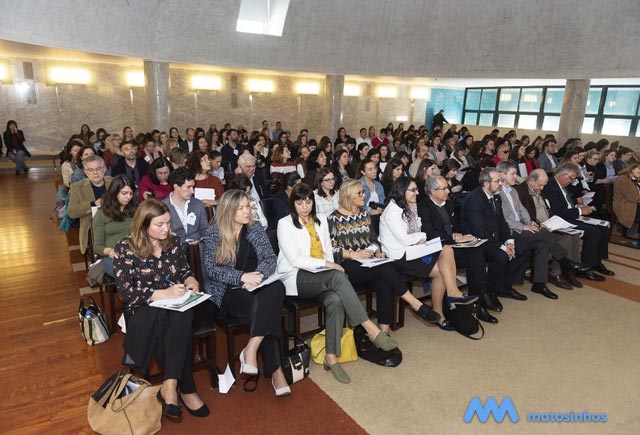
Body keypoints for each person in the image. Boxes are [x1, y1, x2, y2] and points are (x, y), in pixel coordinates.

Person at [277, 183, 398, 383]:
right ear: (293, 204)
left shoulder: (321, 220)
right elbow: (295, 259)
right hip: (296, 277)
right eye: (299, 203)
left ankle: (331, 356)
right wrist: (328, 264)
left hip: (320, 274)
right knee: (338, 276)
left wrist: (328, 263)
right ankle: (370, 328)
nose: (304, 207)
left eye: (308, 202)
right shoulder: (285, 223)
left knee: (334, 299)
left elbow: (327, 249)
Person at [112, 200, 208, 419]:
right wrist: (161, 294)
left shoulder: (172, 242)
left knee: (180, 316)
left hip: (174, 304)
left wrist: (192, 280)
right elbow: (126, 293)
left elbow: (184, 270)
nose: (167, 229)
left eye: (168, 223)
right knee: (179, 319)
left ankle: (170, 385)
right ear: (144, 225)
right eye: (160, 225)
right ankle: (185, 388)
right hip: (142, 310)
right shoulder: (124, 249)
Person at [203, 190, 290, 396]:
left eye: (248, 206)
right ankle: (277, 372)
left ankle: (251, 349)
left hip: (257, 283)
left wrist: (258, 275)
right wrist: (242, 277)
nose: (247, 211)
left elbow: (269, 258)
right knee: (269, 310)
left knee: (277, 288)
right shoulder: (215, 232)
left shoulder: (255, 228)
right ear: (228, 209)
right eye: (241, 208)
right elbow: (212, 269)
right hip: (228, 292)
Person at [328, 180, 440, 333]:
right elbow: (330, 249)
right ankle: (415, 304)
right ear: (348, 196)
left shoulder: (363, 214)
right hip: (348, 264)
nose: (364, 195)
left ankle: (384, 333)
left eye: (364, 192)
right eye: (360, 193)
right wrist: (354, 254)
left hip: (369, 260)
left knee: (385, 284)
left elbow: (373, 238)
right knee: (386, 267)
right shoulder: (333, 219)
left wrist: (376, 250)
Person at [379, 177, 477, 330]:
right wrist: (420, 237)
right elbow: (407, 238)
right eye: (413, 190)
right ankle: (447, 302)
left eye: (417, 189)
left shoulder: (409, 205)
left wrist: (418, 236)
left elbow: (418, 228)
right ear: (401, 191)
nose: (417, 193)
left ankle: (449, 297)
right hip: (399, 256)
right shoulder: (392, 210)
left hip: (413, 249)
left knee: (446, 249)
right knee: (441, 270)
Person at [496, 162, 589, 298]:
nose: (516, 177)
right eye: (513, 174)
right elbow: (504, 219)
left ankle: (539, 284)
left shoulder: (512, 190)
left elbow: (522, 210)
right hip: (509, 231)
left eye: (516, 173)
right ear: (502, 175)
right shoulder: (498, 192)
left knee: (542, 245)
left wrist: (530, 223)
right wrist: (524, 226)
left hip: (521, 229)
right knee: (544, 233)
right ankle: (565, 262)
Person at [460, 167, 530, 306]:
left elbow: (502, 222)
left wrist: (509, 241)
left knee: (522, 248)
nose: (501, 183)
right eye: (498, 181)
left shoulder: (496, 196)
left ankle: (503, 287)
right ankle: (489, 291)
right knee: (501, 255)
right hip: (476, 242)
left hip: (491, 237)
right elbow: (479, 232)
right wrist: (503, 246)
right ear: (486, 184)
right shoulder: (474, 199)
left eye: (501, 180)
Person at [516, 169, 598, 287]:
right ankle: (558, 272)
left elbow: (549, 208)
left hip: (550, 223)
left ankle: (571, 270)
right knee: (564, 239)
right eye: (540, 185)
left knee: (573, 234)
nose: (543, 188)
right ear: (531, 181)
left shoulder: (539, 189)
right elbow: (523, 216)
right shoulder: (520, 192)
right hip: (537, 226)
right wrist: (539, 224)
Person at [542, 162, 614, 278]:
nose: (571, 181)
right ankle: (587, 266)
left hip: (570, 215)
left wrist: (578, 208)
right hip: (561, 220)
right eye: (571, 179)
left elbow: (566, 205)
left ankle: (596, 262)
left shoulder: (562, 185)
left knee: (603, 228)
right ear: (563, 175)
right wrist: (580, 211)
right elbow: (558, 212)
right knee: (593, 232)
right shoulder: (551, 186)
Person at [92, 175, 138, 276]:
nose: (128, 197)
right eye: (124, 193)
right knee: (128, 273)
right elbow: (97, 247)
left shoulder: (136, 210)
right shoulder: (101, 214)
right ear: (114, 193)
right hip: (113, 255)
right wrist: (108, 251)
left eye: (131, 193)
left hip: (135, 252)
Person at [67, 155, 112, 256]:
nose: (95, 173)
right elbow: (71, 212)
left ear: (104, 169)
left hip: (115, 224)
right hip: (92, 229)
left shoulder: (114, 182)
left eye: (98, 169)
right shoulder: (77, 187)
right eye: (90, 170)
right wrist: (93, 204)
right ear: (85, 172)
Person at [163, 167, 209, 243]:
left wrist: (202, 239)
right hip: (174, 248)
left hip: (197, 248)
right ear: (176, 187)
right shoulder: (163, 207)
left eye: (193, 187)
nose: (192, 191)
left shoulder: (197, 204)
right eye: (188, 187)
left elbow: (204, 229)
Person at [613, 163, 640, 235]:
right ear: (631, 169)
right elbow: (634, 197)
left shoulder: (633, 179)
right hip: (625, 205)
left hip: (632, 204)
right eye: (638, 169)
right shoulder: (623, 179)